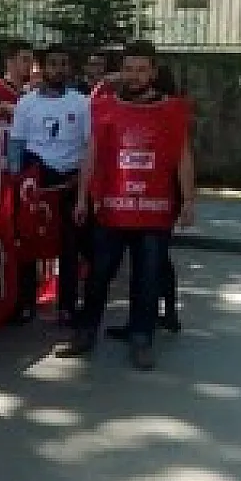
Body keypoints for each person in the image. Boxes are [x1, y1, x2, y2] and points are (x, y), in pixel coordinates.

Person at [55, 41, 194, 370]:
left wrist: (189, 200)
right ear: (121, 71)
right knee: (98, 274)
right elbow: (91, 154)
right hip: (112, 209)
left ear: (154, 72)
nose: (134, 76)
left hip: (155, 212)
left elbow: (183, 156)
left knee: (147, 278)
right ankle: (85, 333)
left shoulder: (173, 110)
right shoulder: (103, 106)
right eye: (129, 69)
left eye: (141, 69)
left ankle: (142, 337)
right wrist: (82, 197)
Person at [7, 45, 91, 324]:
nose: (58, 69)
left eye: (63, 63)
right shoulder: (26, 103)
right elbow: (16, 145)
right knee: (28, 244)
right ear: (41, 68)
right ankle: (25, 303)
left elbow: (90, 147)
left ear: (70, 68)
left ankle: (67, 306)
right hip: (35, 184)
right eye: (52, 64)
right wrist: (16, 181)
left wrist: (83, 186)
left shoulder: (82, 103)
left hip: (68, 183)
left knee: (69, 247)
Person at [0, 41, 34, 118]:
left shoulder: (34, 91)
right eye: (25, 60)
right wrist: (0, 109)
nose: (30, 64)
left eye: (31, 61)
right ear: (10, 61)